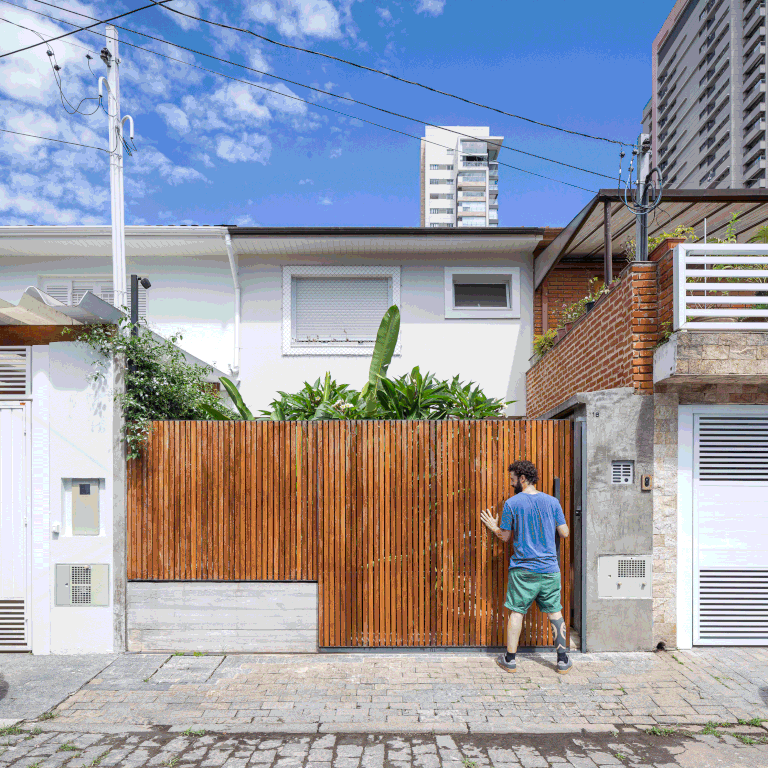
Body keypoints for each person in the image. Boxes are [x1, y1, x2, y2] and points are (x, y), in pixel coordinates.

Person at [480, 459, 572, 674]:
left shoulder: (512, 503)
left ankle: (510, 660)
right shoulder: (552, 502)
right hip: (549, 569)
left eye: (513, 480)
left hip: (523, 571)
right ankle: (562, 660)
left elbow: (505, 537)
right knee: (555, 613)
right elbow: (565, 533)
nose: (511, 484)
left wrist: (493, 527)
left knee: (516, 613)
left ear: (522, 478)